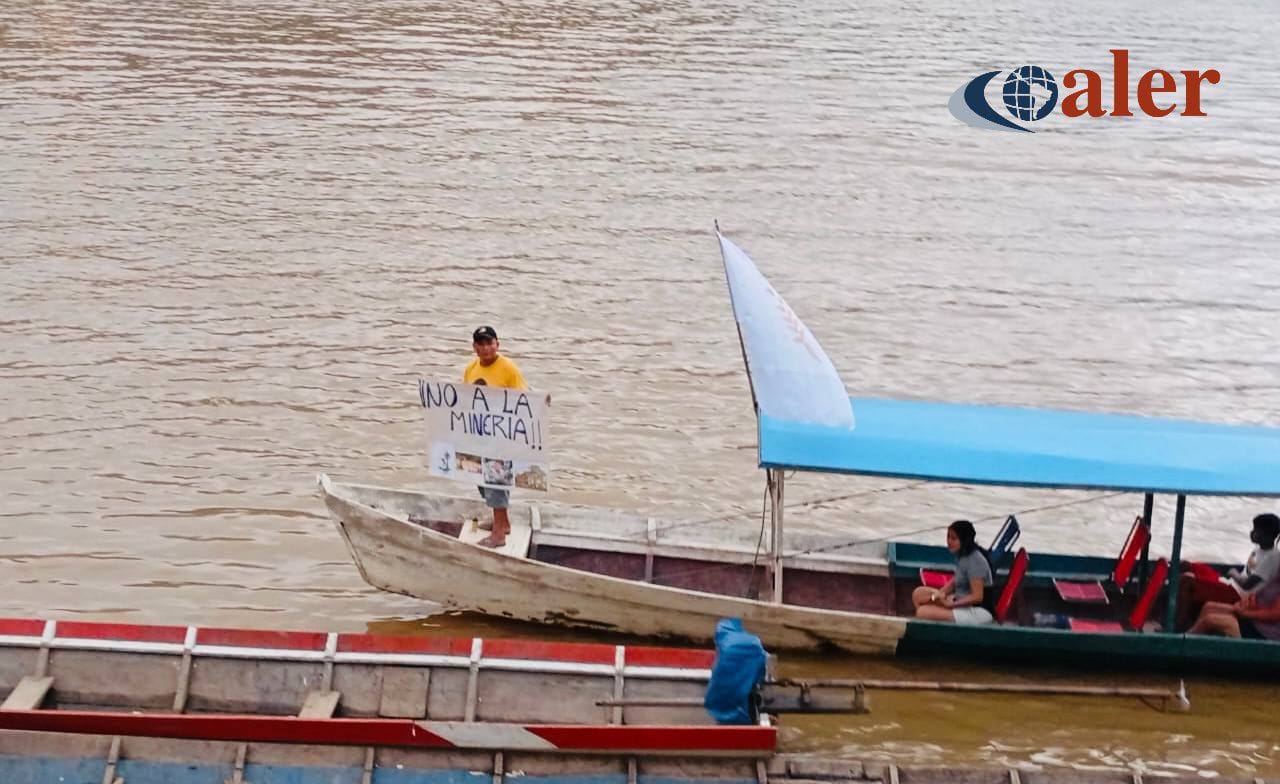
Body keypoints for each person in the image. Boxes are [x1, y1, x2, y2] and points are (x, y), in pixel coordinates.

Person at [462, 325, 528, 548]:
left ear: (497, 344)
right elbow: (464, 399)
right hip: (480, 435)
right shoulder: (471, 368)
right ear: (474, 347)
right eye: (481, 344)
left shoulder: (508, 368)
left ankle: (499, 535)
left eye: (490, 343)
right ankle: (504, 522)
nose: (486, 348)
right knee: (481, 480)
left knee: (496, 482)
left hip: (502, 436)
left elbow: (523, 401)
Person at [1175, 513, 1280, 630]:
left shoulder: (1272, 557)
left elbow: (1247, 585)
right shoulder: (1258, 549)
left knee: (1187, 581)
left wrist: (1234, 573)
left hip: (1237, 594)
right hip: (1228, 583)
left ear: (1268, 535)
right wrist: (1233, 576)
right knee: (1187, 566)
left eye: (1256, 530)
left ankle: (1177, 626)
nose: (1252, 532)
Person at [912, 520, 994, 625]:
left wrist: (951, 605)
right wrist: (941, 593)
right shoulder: (963, 555)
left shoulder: (975, 561)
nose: (949, 541)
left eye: (954, 538)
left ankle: (936, 628)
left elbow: (977, 597)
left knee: (922, 612)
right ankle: (936, 624)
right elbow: (955, 581)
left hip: (977, 612)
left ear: (964, 540)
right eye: (948, 537)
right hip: (959, 602)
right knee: (919, 594)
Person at [1187, 570, 1280, 641]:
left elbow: (1274, 614)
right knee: (1209, 606)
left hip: (1263, 635)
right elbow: (1262, 600)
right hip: (1255, 621)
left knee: (1209, 619)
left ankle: (1183, 644)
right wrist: (1247, 606)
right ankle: (1196, 641)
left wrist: (1245, 613)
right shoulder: (1275, 576)